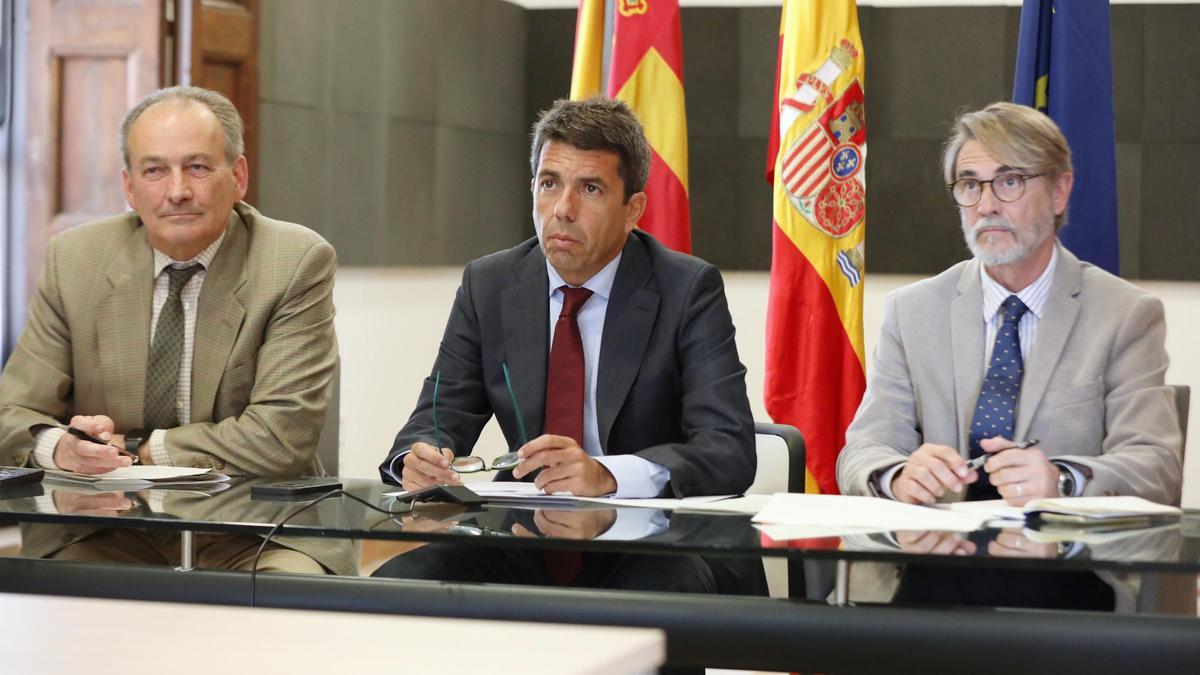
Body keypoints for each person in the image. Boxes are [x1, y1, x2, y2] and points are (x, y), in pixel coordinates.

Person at [374, 97, 759, 599]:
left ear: (633, 209)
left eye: (590, 188)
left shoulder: (686, 289)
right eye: (549, 183)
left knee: (652, 601)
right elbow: (440, 414)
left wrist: (606, 475)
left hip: (655, 545)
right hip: (529, 536)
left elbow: (728, 448)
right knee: (398, 587)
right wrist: (418, 456)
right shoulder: (490, 284)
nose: (562, 210)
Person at [836, 101, 1181, 609]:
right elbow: (861, 451)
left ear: (1060, 190)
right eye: (970, 184)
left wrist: (1061, 479)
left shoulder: (1125, 315)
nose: (987, 204)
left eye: (1010, 181)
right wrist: (899, 475)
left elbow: (1155, 465)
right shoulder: (914, 311)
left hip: (1066, 574)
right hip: (936, 567)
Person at [0, 86, 345, 574]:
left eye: (198, 167)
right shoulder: (75, 260)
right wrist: (63, 448)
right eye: (155, 170)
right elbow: (11, 412)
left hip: (256, 528)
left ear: (238, 176)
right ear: (129, 186)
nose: (177, 190)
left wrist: (138, 449)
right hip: (106, 525)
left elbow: (280, 436)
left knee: (292, 609)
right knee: (66, 608)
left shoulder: (293, 261)